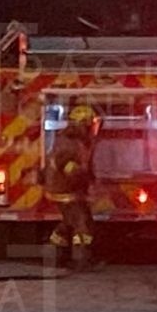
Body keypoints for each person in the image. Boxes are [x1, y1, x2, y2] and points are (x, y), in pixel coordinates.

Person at [45, 104, 99, 270]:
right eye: (90, 124)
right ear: (83, 124)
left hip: (65, 190)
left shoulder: (72, 140)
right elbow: (71, 170)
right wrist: (86, 182)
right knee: (82, 224)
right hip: (66, 191)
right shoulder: (69, 144)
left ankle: (55, 256)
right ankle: (81, 260)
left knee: (68, 222)